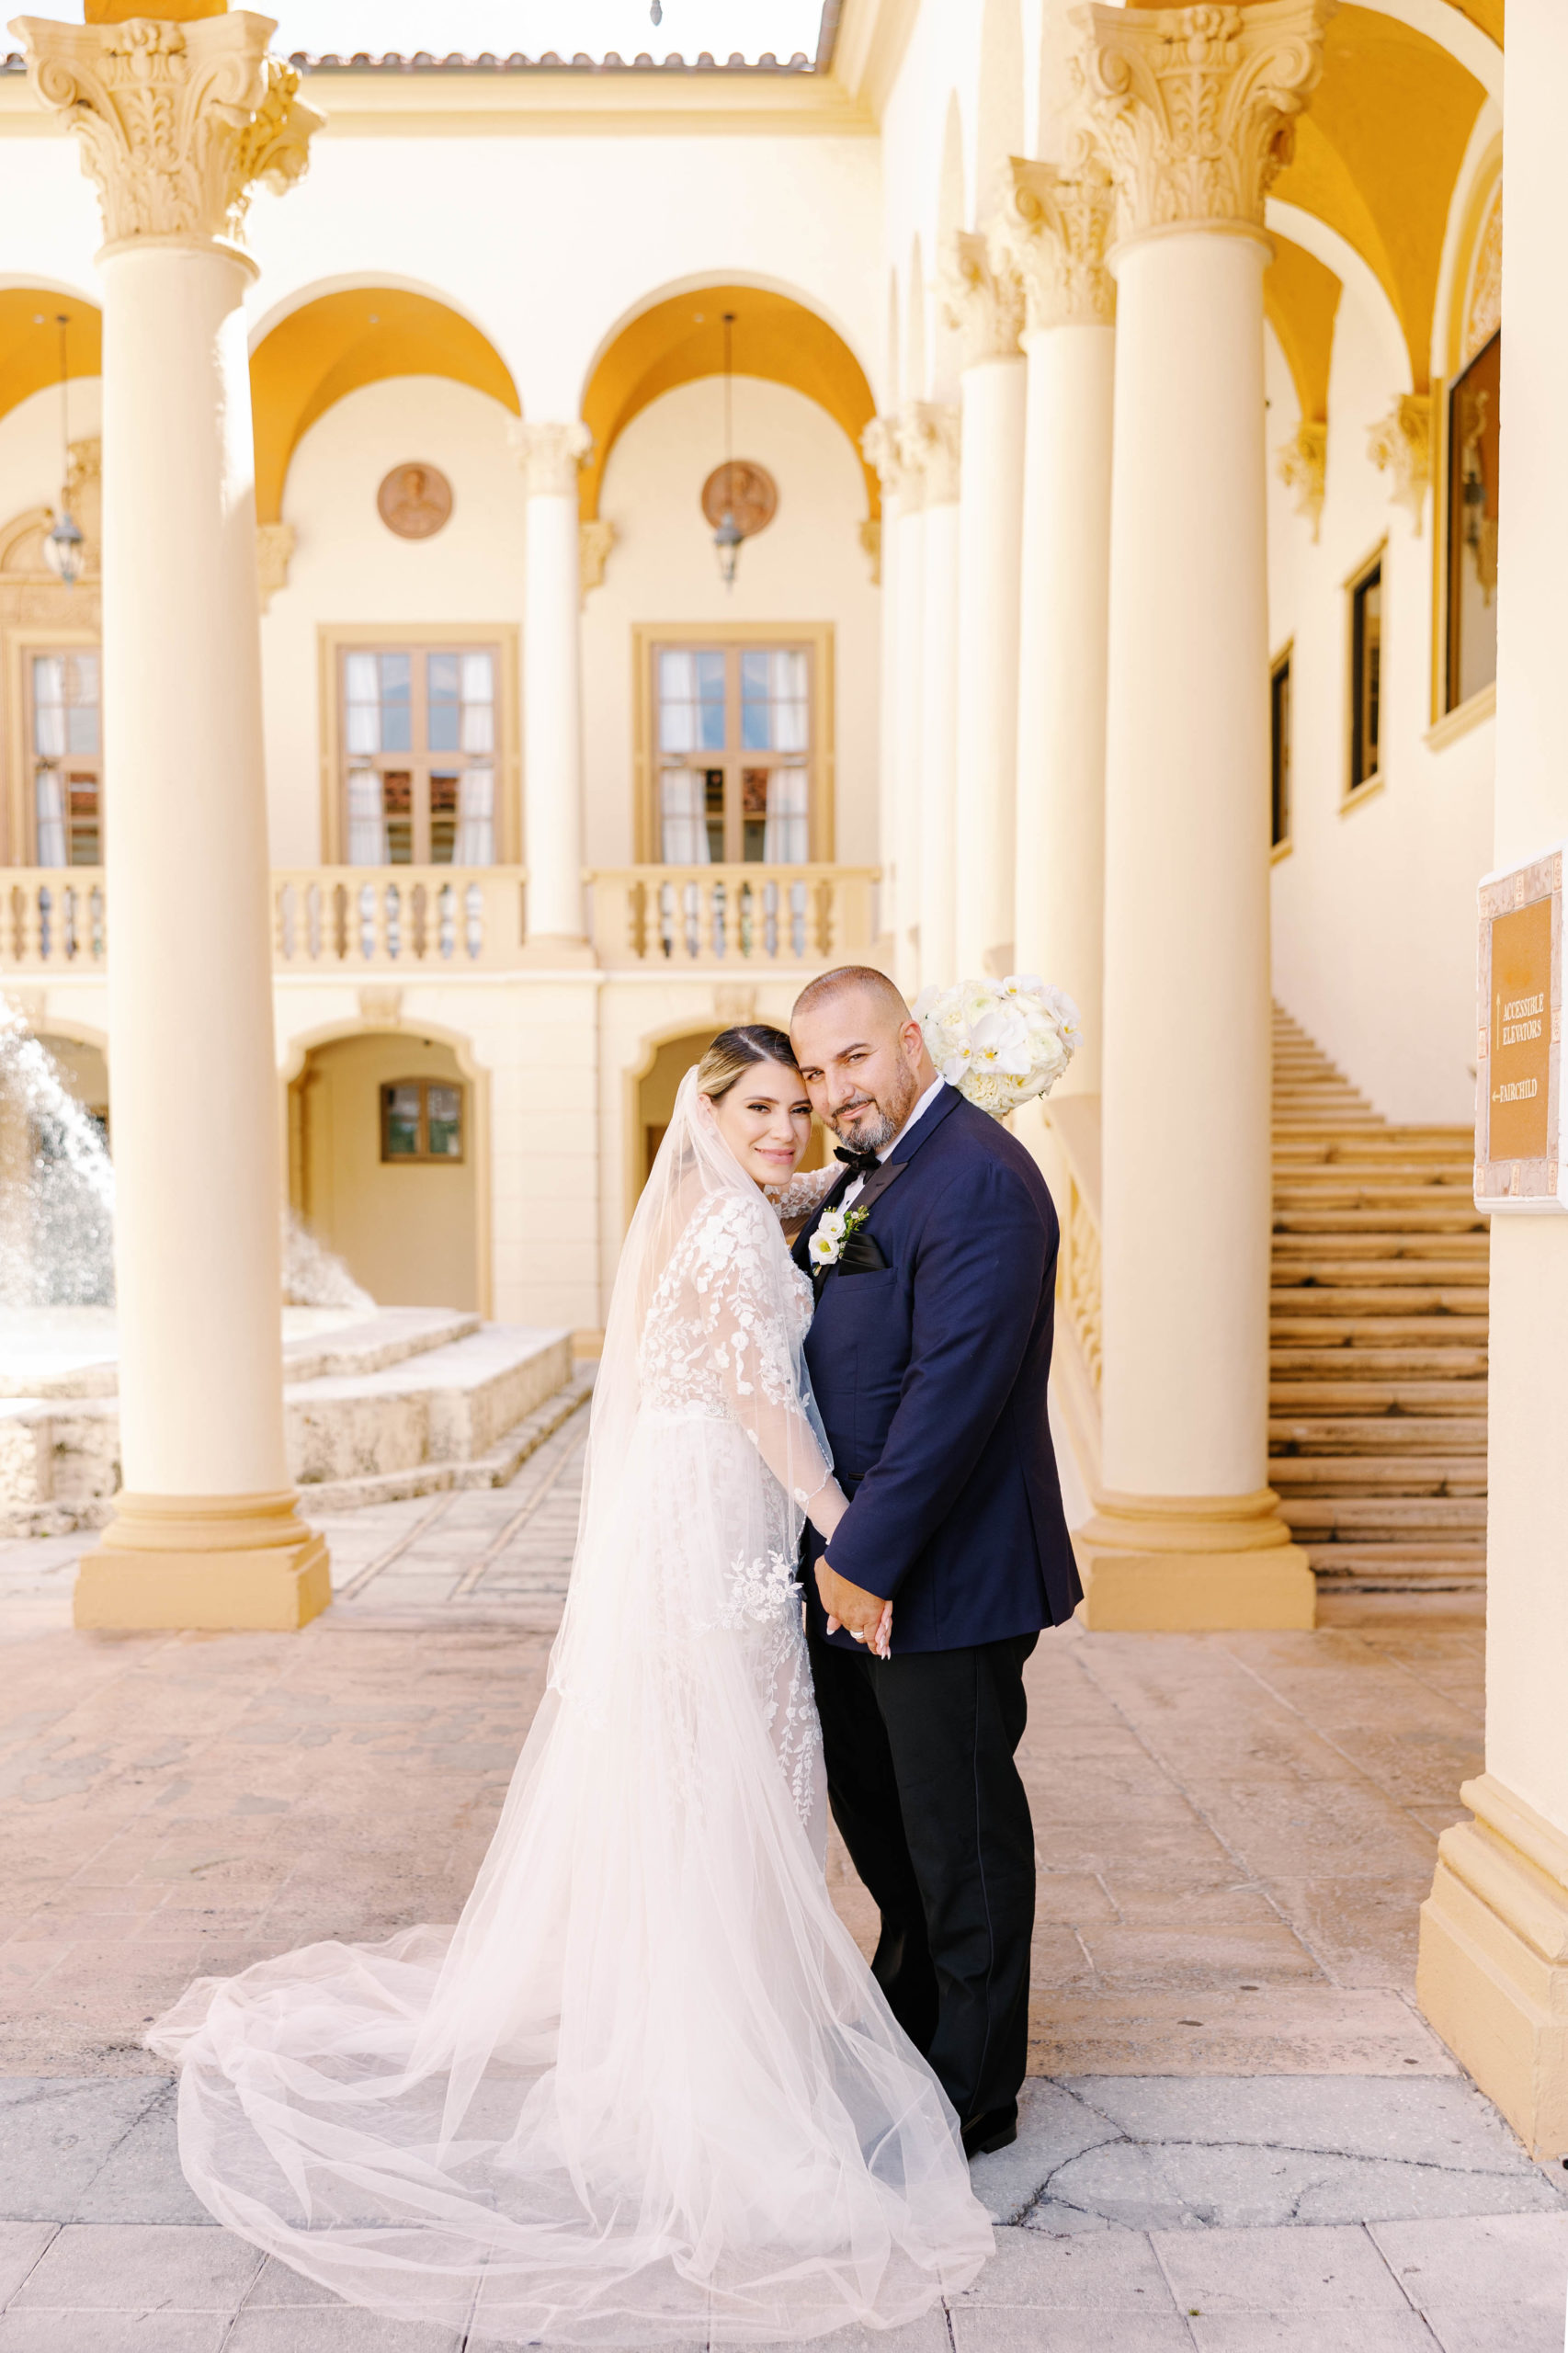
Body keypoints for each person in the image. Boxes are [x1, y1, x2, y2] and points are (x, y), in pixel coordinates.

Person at [149, 1024, 992, 2347]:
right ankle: (714, 2055)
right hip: (717, 1536)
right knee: (730, 1779)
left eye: (797, 1109)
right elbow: (767, 1411)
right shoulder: (723, 1238)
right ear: (704, 1115)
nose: (785, 1130)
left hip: (696, 1530)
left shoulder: (727, 1221)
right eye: (758, 1107)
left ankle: (707, 2010)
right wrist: (848, 1539)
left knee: (710, 1779)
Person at [790, 968, 1081, 2160]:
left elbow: (949, 1397)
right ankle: (908, 2012)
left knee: (957, 1833)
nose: (831, 1091)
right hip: (854, 1567)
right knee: (884, 1821)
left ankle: (974, 2083)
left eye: (851, 1058)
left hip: (940, 1580)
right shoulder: (882, 1173)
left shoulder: (979, 1178)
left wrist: (862, 1558)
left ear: (910, 1044)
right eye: (812, 1073)